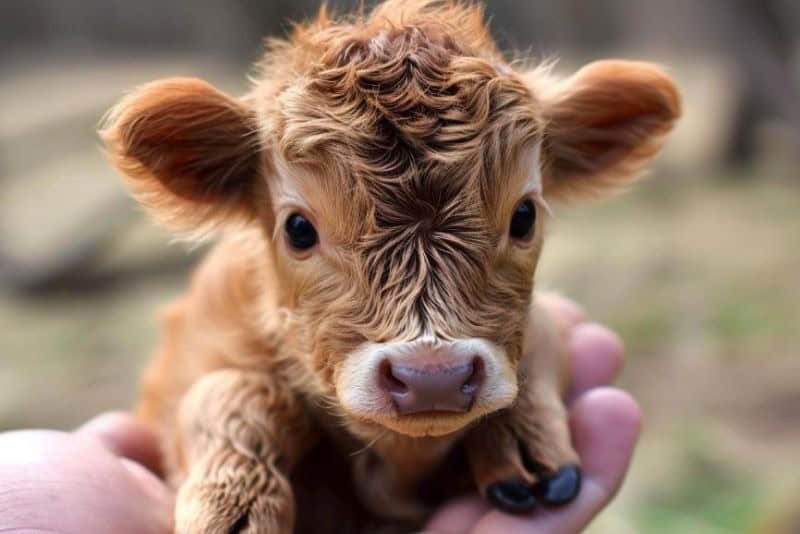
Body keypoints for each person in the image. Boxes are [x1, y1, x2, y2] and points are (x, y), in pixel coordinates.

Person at [0, 297, 639, 533]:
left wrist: (529, 371)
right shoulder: (227, 313)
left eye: (521, 219)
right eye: (304, 232)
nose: (426, 344)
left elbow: (536, 314)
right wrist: (230, 446)